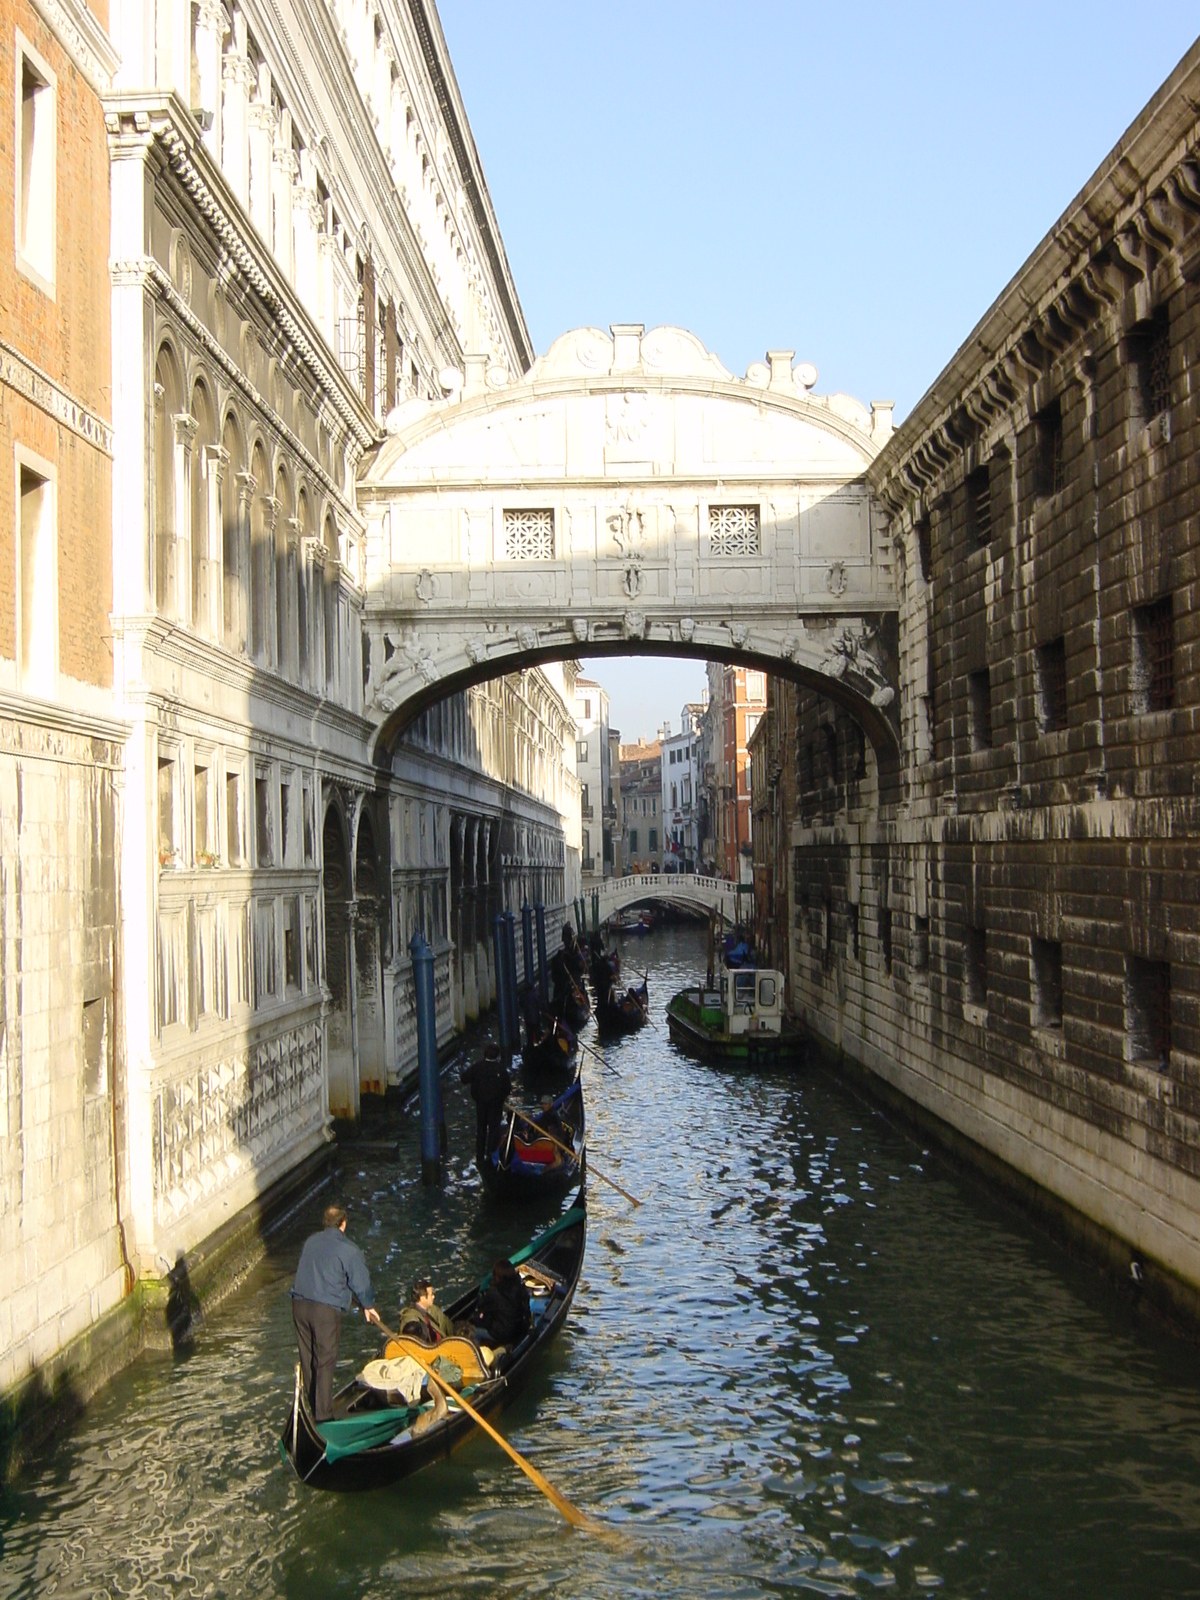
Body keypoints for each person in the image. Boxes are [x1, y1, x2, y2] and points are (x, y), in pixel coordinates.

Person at [291, 1204, 380, 1420]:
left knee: (309, 1358)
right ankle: (323, 1417)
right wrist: (368, 1305)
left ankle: (314, 1409)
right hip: (324, 1311)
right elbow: (360, 1282)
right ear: (344, 1224)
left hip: (299, 1306)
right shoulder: (349, 1250)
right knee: (325, 1360)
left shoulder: (311, 1241)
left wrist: (361, 1303)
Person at [461, 1043, 512, 1165]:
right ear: (497, 1056)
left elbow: (464, 1079)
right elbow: (507, 1088)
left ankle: (480, 1157)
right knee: (494, 1130)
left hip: (481, 1104)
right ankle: (490, 1156)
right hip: (495, 1104)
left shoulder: (478, 1067)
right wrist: (501, 1097)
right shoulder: (501, 1069)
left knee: (481, 1129)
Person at [471, 1257, 531, 1348]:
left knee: (474, 1332)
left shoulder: (493, 1294)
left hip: (503, 1336)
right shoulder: (520, 1288)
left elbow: (480, 1312)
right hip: (520, 1330)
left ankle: (478, 1357)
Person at [398, 1276, 455, 1345]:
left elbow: (447, 1324)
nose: (433, 1297)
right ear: (422, 1298)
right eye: (431, 1295)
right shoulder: (410, 1318)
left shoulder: (433, 1309)